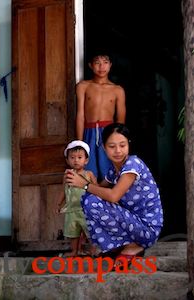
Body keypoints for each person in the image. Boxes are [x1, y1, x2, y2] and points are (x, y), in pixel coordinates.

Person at [65, 123, 163, 265]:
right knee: (90, 200)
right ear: (104, 148)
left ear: (128, 145)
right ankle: (118, 245)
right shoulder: (113, 170)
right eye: (112, 146)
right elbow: (99, 190)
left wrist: (85, 184)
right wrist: (82, 173)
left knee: (91, 200)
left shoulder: (132, 164)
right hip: (131, 224)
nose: (118, 151)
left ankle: (134, 247)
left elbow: (113, 196)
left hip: (147, 229)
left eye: (122, 145)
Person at [75, 52, 126, 181]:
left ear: (110, 65)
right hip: (89, 131)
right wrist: (80, 143)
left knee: (109, 169)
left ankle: (110, 200)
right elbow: (80, 115)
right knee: (87, 171)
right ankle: (92, 200)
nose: (101, 66)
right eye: (97, 62)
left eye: (105, 62)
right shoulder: (83, 86)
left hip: (108, 132)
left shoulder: (117, 90)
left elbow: (120, 120)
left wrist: (119, 140)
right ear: (90, 66)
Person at [58, 140, 97, 257]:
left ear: (86, 160)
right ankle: (74, 251)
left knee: (90, 232)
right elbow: (63, 190)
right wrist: (59, 203)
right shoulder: (67, 174)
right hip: (71, 210)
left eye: (79, 157)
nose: (76, 160)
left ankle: (93, 251)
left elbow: (96, 188)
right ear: (67, 160)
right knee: (73, 233)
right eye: (72, 157)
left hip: (86, 210)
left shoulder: (89, 174)